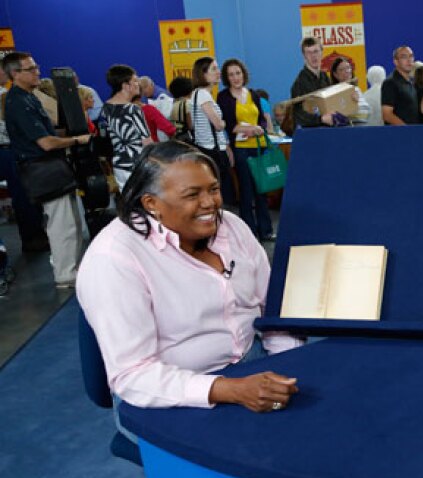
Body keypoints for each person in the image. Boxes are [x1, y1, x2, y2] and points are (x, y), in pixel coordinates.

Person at [77, 141, 303, 414]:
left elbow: (273, 308)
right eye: (192, 194)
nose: (210, 203)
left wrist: (288, 363)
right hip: (176, 391)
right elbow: (133, 375)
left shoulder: (232, 227)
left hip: (252, 361)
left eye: (214, 189)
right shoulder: (114, 259)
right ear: (151, 204)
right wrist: (232, 390)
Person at [3, 51, 88, 288]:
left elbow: (49, 135)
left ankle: (70, 268)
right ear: (15, 74)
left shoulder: (29, 98)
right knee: (61, 223)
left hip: (50, 166)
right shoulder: (18, 102)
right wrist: (76, 140)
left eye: (36, 67)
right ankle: (65, 274)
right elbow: (46, 142)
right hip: (41, 167)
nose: (37, 72)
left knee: (71, 222)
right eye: (30, 69)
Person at [217, 58, 274, 241]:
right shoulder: (223, 97)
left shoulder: (253, 94)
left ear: (244, 74)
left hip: (258, 148)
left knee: (261, 190)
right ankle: (249, 233)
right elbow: (228, 124)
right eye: (231, 74)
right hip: (240, 149)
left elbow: (262, 120)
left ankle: (266, 230)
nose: (235, 77)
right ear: (226, 78)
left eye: (238, 73)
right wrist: (248, 129)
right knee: (247, 191)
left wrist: (260, 128)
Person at [0, 58, 49, 253]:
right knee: (23, 195)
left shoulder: (11, 95)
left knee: (28, 195)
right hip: (8, 150)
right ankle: (32, 238)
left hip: (15, 149)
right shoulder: (12, 98)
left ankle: (35, 235)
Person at [191, 56, 236, 206]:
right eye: (214, 69)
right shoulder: (203, 94)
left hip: (208, 147)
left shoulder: (198, 94)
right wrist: (224, 122)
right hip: (213, 151)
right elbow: (218, 124)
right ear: (203, 74)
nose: (218, 72)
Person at [101, 64, 152, 193]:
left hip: (119, 166)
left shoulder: (106, 107)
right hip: (137, 167)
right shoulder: (132, 109)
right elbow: (147, 142)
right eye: (135, 81)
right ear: (125, 86)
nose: (138, 84)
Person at [289, 37, 335, 128]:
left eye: (316, 51)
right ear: (304, 55)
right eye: (309, 52)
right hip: (311, 134)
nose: (313, 56)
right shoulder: (299, 83)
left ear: (322, 52)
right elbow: (298, 115)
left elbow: (332, 101)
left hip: (329, 130)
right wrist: (320, 119)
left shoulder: (325, 77)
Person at [381, 45, 420, 125]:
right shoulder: (390, 83)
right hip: (399, 135)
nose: (409, 60)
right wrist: (406, 130)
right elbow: (387, 115)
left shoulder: (411, 82)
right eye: (404, 57)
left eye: (411, 56)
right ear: (396, 62)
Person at [329, 57, 371, 125]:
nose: (347, 71)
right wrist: (353, 103)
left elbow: (367, 111)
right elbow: (339, 115)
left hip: (363, 128)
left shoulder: (356, 89)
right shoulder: (334, 93)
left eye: (348, 68)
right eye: (342, 69)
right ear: (335, 74)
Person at [168, 75, 194, 141]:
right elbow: (190, 125)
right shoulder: (187, 104)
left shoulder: (174, 104)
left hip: (175, 138)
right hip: (186, 138)